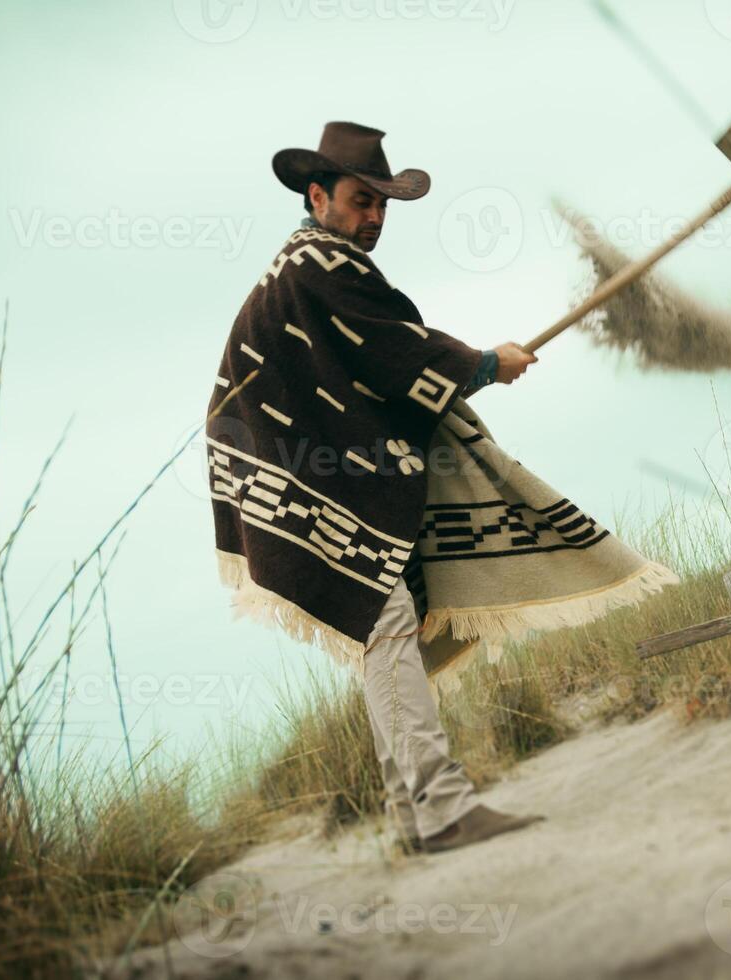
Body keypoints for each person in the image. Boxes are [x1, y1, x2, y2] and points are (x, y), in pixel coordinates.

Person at [206, 121, 542, 853]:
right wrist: (487, 364)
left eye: (384, 206)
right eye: (362, 201)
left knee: (382, 629)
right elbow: (391, 347)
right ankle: (443, 812)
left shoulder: (303, 266)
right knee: (386, 624)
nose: (375, 218)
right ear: (317, 196)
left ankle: (412, 815)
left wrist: (476, 367)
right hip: (297, 475)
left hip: (292, 473)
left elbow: (369, 357)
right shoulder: (318, 264)